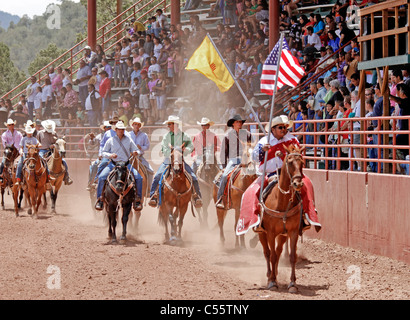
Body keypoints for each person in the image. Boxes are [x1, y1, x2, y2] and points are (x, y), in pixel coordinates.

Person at [237, 115, 321, 235]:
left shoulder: (292, 140)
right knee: (251, 192)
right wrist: (262, 151)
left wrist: (286, 157)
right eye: (280, 127)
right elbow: (254, 157)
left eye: (285, 127)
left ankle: (306, 215)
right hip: (269, 173)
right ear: (273, 129)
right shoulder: (264, 142)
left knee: (307, 185)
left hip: (290, 173)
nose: (284, 130)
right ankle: (257, 218)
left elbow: (298, 156)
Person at [148, 115, 203, 208]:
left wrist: (186, 150)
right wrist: (172, 153)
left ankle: (197, 197)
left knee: (193, 177)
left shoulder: (184, 136)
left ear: (175, 125)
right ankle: (154, 196)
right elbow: (163, 148)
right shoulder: (166, 136)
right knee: (157, 176)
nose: (168, 126)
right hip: (168, 161)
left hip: (181, 161)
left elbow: (191, 146)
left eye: (170, 124)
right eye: (168, 124)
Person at [94, 121, 143, 211]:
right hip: (113, 164)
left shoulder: (129, 140)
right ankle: (100, 199)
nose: (121, 131)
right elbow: (104, 152)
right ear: (115, 130)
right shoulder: (111, 140)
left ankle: (137, 199)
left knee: (139, 178)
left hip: (126, 164)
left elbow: (137, 150)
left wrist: (136, 152)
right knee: (101, 177)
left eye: (122, 129)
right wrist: (110, 155)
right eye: (119, 129)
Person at [216, 114, 253, 209]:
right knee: (224, 176)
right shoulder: (228, 136)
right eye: (237, 122)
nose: (239, 123)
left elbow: (252, 147)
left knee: (257, 174)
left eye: (240, 122)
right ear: (233, 124)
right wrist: (224, 166)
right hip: (233, 160)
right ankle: (220, 198)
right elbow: (223, 152)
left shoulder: (247, 134)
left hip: (247, 159)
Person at [15, 125, 52, 190]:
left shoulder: (34, 139)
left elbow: (39, 144)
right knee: (20, 164)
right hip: (26, 154)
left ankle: (48, 177)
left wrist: (38, 145)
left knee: (44, 161)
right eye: (28, 132)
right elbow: (21, 147)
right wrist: (21, 152)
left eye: (30, 132)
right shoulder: (23, 139)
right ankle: (18, 179)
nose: (29, 133)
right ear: (26, 132)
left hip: (34, 154)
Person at [37, 120, 73, 185]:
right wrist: (46, 146)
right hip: (43, 150)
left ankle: (67, 176)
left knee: (63, 161)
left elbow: (57, 142)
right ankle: (39, 176)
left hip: (52, 150)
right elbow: (37, 142)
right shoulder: (40, 133)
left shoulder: (54, 133)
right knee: (40, 159)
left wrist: (53, 145)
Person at [129, 117, 154, 190]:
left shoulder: (144, 135)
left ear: (140, 126)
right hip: (129, 156)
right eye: (135, 124)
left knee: (151, 170)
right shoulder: (128, 134)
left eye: (138, 124)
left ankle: (149, 189)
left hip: (140, 157)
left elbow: (147, 146)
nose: (136, 126)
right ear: (133, 125)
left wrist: (141, 147)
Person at [0, 119, 23, 183]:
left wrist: (20, 150)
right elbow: (5, 144)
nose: (11, 126)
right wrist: (10, 149)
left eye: (12, 124)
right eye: (9, 125)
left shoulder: (19, 133)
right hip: (9, 151)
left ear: (14, 125)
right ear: (7, 126)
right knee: (3, 163)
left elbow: (22, 142)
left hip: (18, 151)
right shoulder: (4, 134)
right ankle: (1, 177)